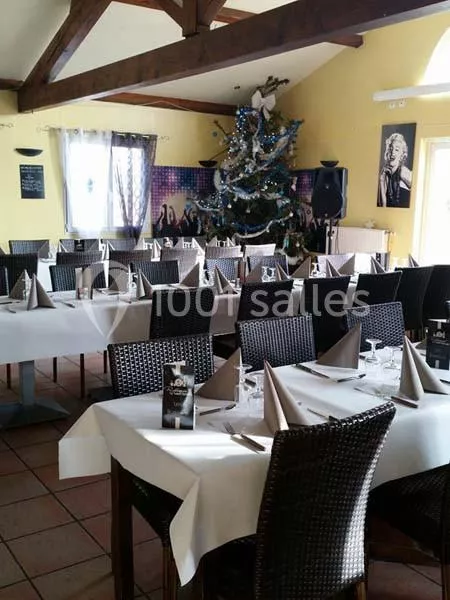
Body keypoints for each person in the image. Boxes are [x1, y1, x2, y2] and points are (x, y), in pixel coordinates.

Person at [378, 133, 413, 208]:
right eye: (390, 149)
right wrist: (381, 180)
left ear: (402, 155)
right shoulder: (385, 173)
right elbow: (383, 205)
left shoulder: (404, 171)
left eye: (397, 150)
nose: (392, 152)